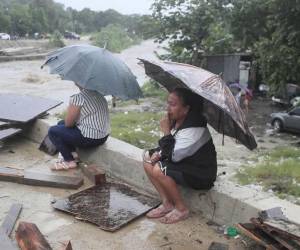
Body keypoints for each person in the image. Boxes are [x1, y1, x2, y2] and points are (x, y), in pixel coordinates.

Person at [143, 88, 217, 224]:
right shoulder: (179, 121)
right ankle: (167, 204)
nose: (168, 108)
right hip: (185, 163)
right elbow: (170, 148)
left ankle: (181, 209)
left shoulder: (194, 129)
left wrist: (166, 132)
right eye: (168, 103)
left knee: (160, 169)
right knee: (148, 158)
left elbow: (175, 156)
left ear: (186, 109)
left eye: (173, 104)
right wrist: (158, 154)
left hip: (201, 173)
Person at [48, 84, 110, 170]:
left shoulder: (78, 98)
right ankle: (73, 153)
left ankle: (69, 161)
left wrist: (70, 108)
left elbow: (69, 124)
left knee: (52, 131)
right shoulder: (99, 95)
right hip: (103, 137)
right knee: (60, 123)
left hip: (89, 139)